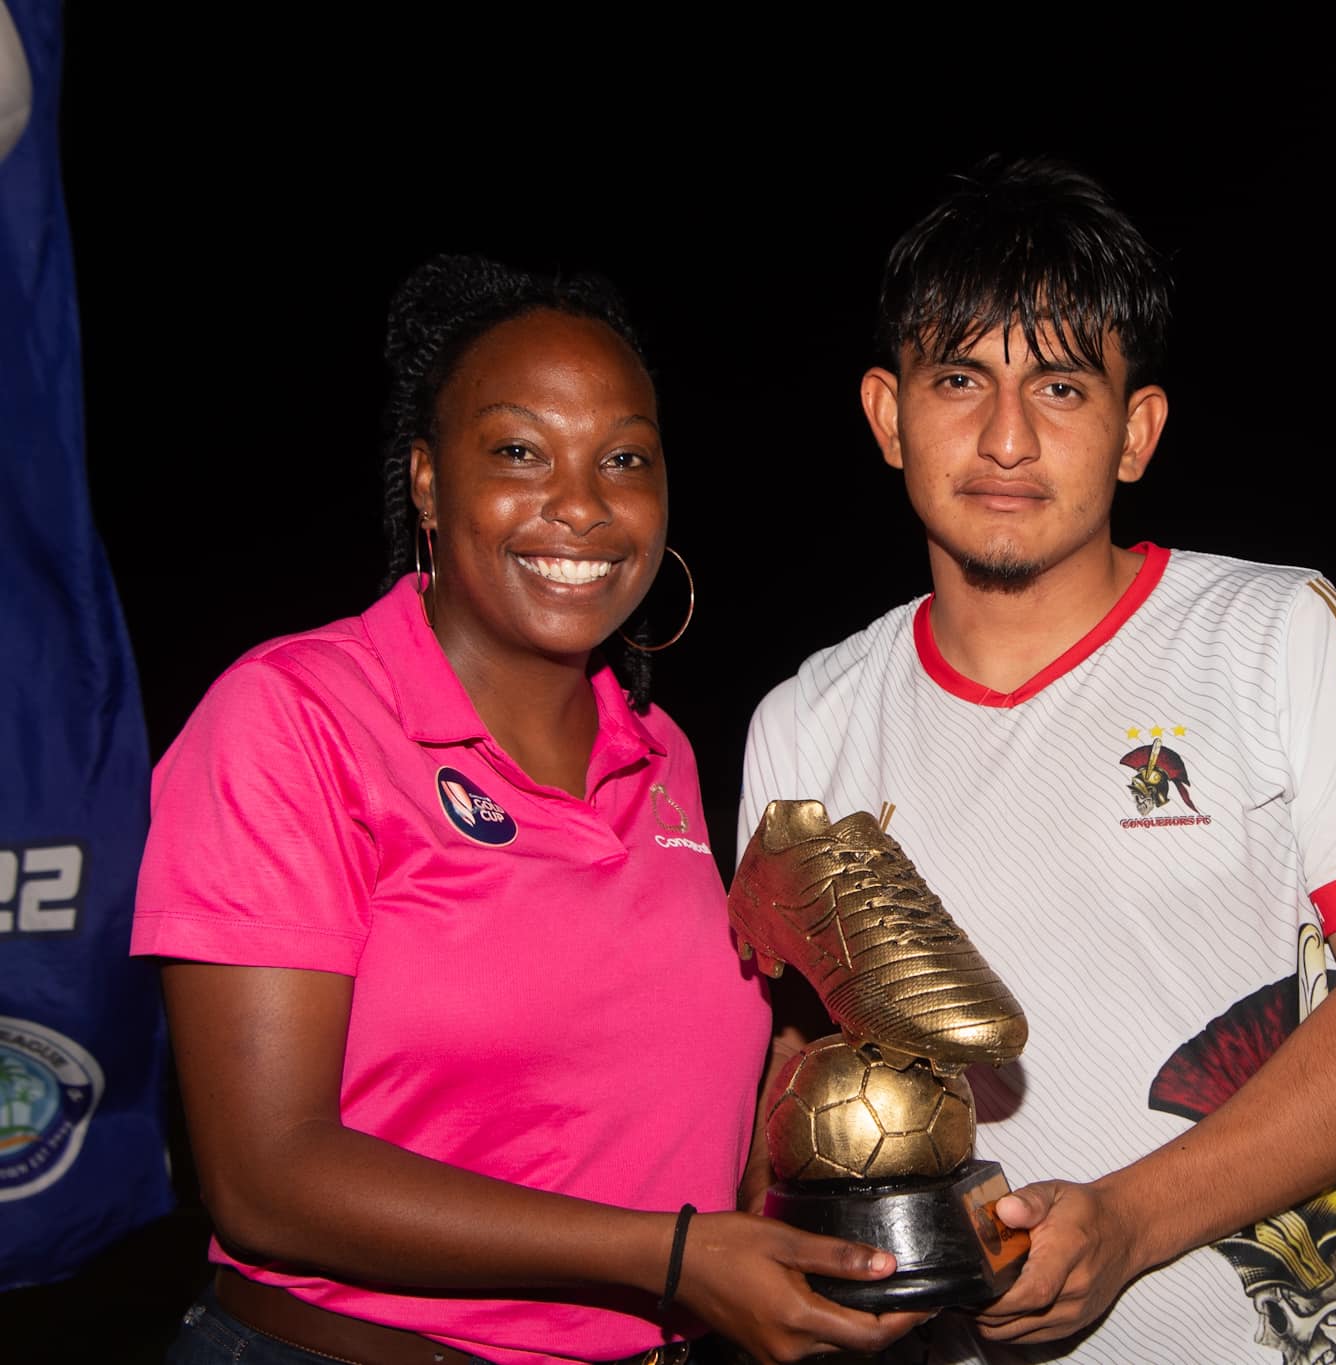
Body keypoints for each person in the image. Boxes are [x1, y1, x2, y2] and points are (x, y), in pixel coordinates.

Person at [737, 157, 1336, 1364]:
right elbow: (789, 1067)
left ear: (1134, 432)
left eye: (1060, 387)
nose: (1005, 438)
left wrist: (1132, 1221)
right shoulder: (805, 720)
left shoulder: (1273, 631)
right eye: (958, 380)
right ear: (886, 415)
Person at [132, 255, 923, 1365]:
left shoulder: (661, 752)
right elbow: (266, 1178)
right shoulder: (293, 716)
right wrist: (671, 1257)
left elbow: (646, 1098)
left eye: (623, 459)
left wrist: (800, 1186)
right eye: (518, 451)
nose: (581, 505)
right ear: (425, 480)